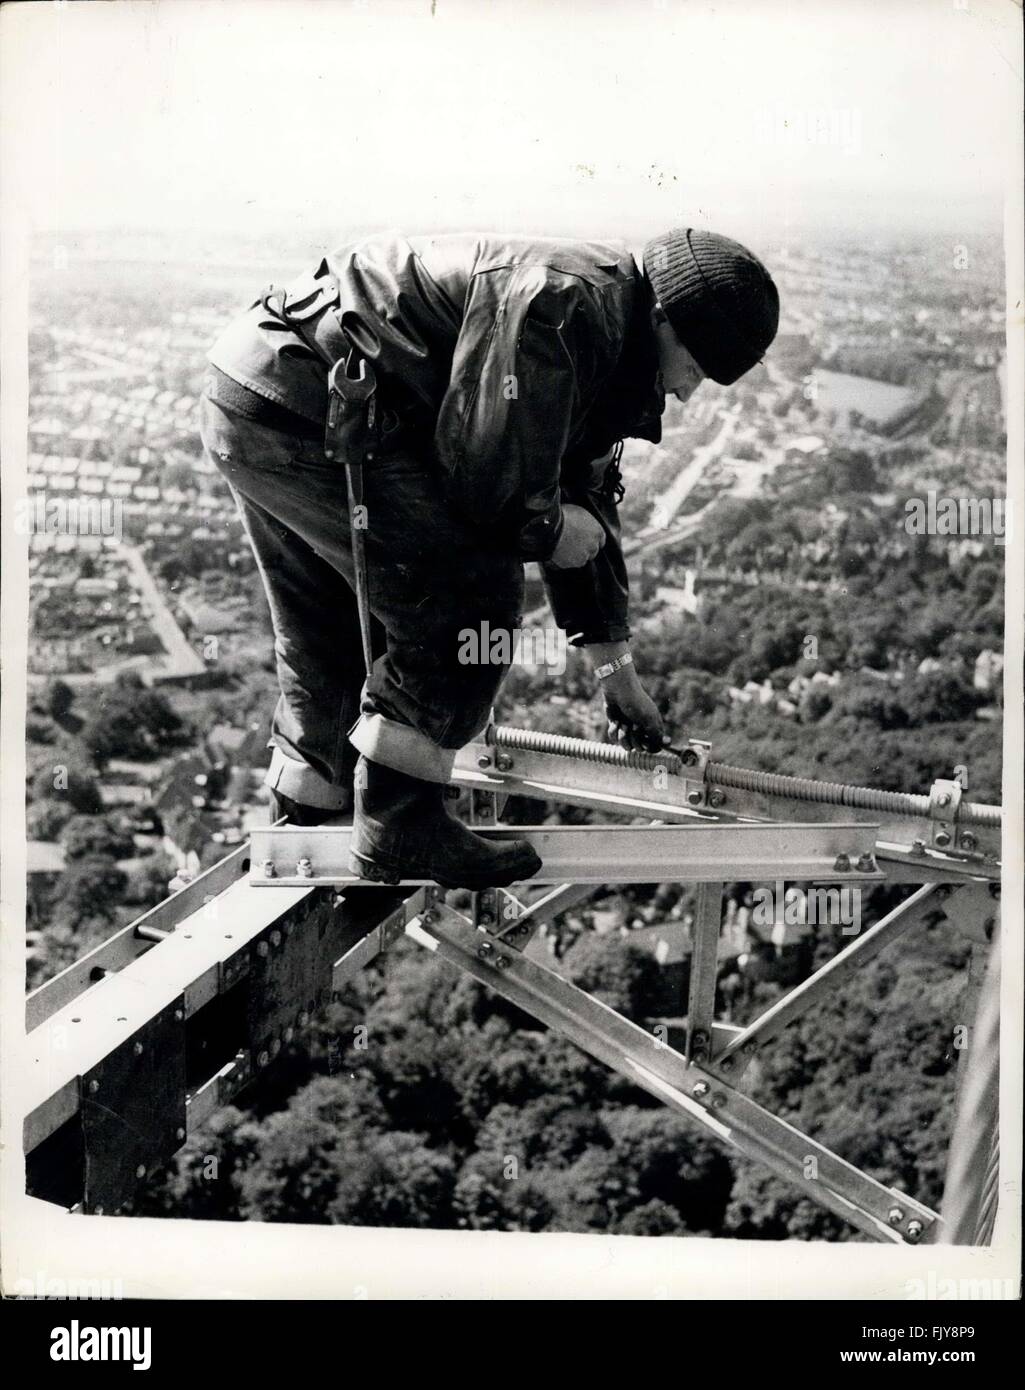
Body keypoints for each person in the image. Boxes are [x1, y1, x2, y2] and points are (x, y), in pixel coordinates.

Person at [200, 228, 779, 888]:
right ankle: (400, 827)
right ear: (662, 319)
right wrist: (552, 529)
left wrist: (616, 675)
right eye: (695, 369)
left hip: (259, 391)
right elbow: (487, 483)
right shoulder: (565, 309)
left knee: (331, 628)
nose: (686, 394)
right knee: (471, 600)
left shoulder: (605, 326)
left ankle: (308, 818)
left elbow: (580, 494)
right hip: (315, 405)